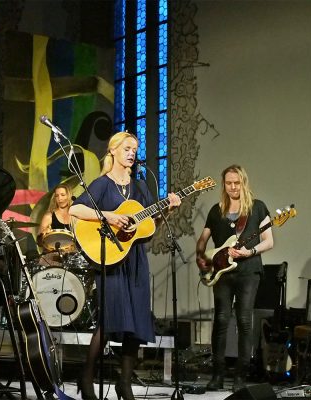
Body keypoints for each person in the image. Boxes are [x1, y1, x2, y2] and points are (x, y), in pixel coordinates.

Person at [69, 132, 181, 400]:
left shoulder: (140, 187)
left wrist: (168, 209)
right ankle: (86, 378)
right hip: (109, 259)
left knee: (139, 320)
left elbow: (146, 227)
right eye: (127, 148)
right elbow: (75, 210)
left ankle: (125, 383)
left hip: (135, 259)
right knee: (109, 320)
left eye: (135, 149)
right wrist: (110, 216)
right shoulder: (102, 184)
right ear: (113, 151)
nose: (132, 153)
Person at [195, 164, 273, 393]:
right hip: (222, 273)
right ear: (224, 184)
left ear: (243, 182)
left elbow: (269, 241)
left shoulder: (257, 208)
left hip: (249, 271)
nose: (232, 187)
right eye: (228, 183)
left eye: (236, 183)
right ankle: (217, 375)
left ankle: (241, 375)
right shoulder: (216, 210)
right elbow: (202, 240)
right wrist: (201, 257)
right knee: (220, 319)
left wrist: (250, 252)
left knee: (244, 321)